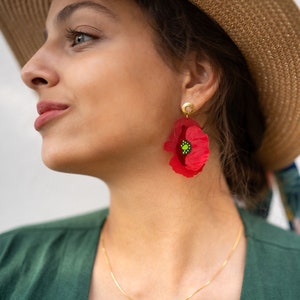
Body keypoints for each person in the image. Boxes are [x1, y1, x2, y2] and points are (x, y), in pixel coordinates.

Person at [0, 0, 300, 299]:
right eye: (44, 41)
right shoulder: (10, 268)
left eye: (80, 36)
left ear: (195, 78)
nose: (30, 70)